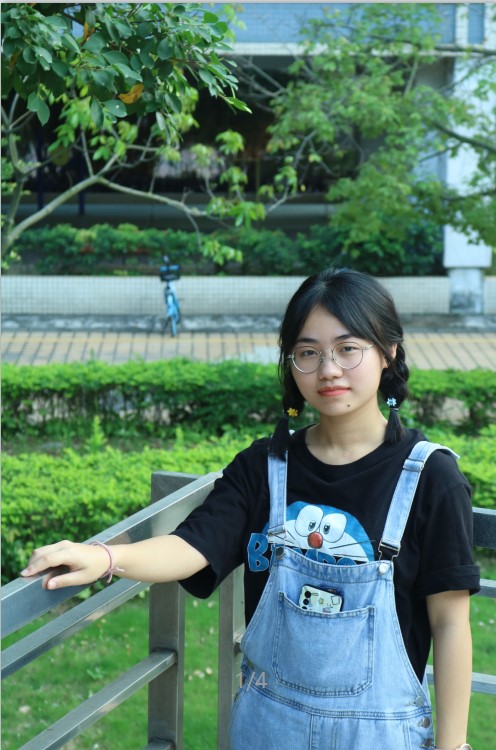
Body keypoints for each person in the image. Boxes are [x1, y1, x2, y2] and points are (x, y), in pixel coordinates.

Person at [22, 268, 479, 750]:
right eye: (308, 353)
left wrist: (452, 747)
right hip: (267, 729)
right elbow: (191, 545)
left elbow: (450, 624)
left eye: (348, 348)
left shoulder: (431, 479)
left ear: (388, 351)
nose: (328, 369)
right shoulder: (265, 466)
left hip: (381, 737)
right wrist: (105, 557)